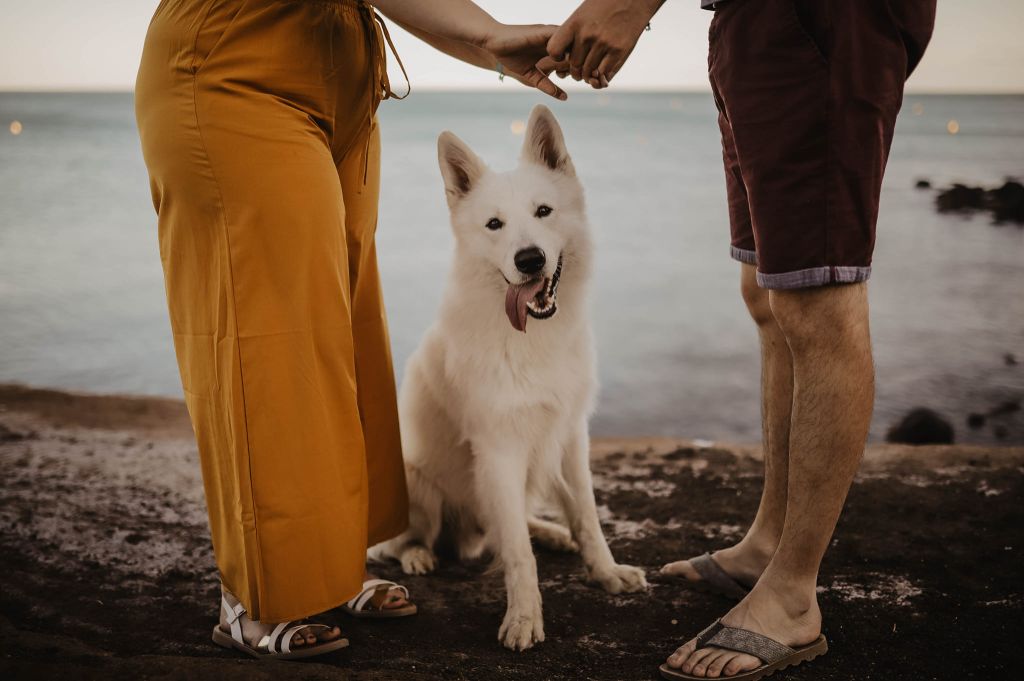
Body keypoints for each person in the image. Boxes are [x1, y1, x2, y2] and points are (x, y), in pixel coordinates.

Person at [135, 0, 565, 660]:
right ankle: (255, 591)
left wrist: (484, 40)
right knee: (268, 327)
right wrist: (485, 34)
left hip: (341, 79)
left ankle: (329, 562)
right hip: (234, 66)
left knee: (345, 323)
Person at [546, 0, 937, 678]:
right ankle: (770, 544)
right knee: (768, 293)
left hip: (823, 15)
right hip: (759, 19)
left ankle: (791, 598)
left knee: (819, 300)